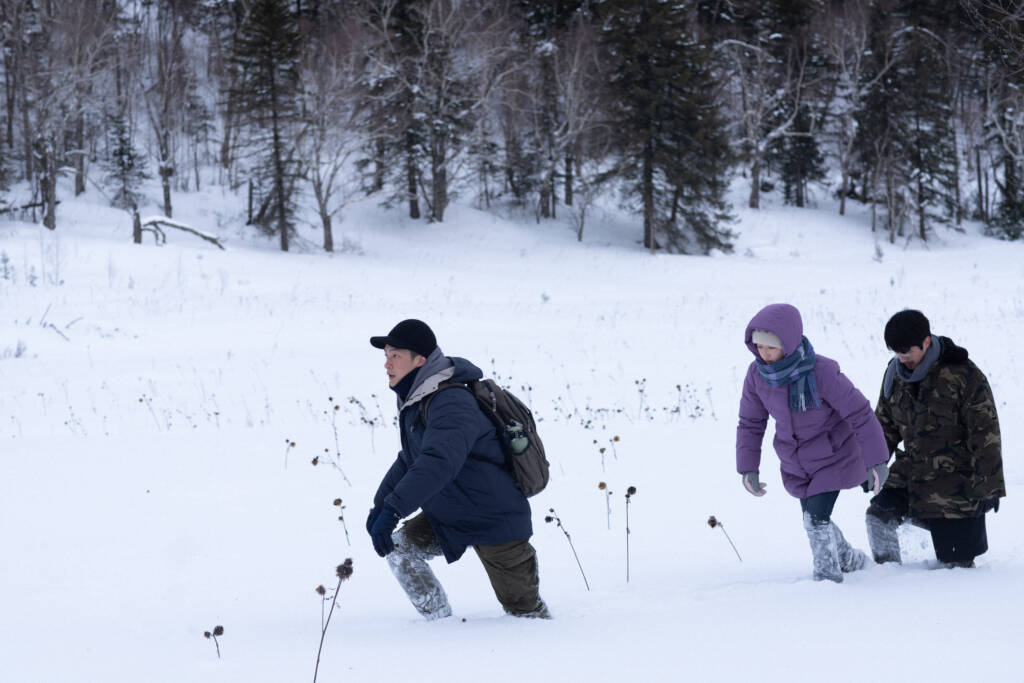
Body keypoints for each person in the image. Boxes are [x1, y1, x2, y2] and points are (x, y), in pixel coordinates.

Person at [365, 319, 550, 619]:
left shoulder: (450, 401)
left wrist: (394, 509)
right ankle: (439, 626)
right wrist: (380, 506)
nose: (387, 364)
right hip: (452, 513)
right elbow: (410, 459)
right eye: (385, 355)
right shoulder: (420, 398)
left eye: (395, 355)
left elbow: (437, 462)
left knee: (526, 615)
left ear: (420, 360)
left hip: (494, 518)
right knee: (401, 550)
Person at [736, 303, 890, 582]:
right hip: (796, 461)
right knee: (814, 518)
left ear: (789, 342)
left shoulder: (822, 372)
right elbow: (751, 423)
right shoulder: (757, 376)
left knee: (815, 521)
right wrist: (749, 468)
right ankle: (849, 558)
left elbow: (860, 414)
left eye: (771, 347)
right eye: (759, 346)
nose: (764, 354)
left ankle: (827, 577)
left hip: (836, 456)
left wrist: (877, 461)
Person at [866, 309, 1005, 568]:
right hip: (911, 474)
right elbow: (883, 426)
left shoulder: (964, 375)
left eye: (907, 352)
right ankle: (887, 578)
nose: (901, 358)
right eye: (896, 352)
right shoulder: (894, 375)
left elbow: (986, 433)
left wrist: (989, 485)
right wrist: (871, 465)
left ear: (926, 342)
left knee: (956, 565)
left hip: (956, 487)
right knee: (878, 517)